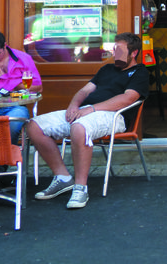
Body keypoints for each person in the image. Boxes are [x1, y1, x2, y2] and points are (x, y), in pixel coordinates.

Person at [26, 32, 149, 209]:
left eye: (119, 50)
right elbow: (84, 91)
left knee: (79, 127)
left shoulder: (140, 73)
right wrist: (73, 105)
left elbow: (127, 99)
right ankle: (63, 178)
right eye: (114, 49)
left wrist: (91, 108)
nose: (114, 53)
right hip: (84, 112)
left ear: (134, 52)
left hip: (114, 116)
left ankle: (80, 188)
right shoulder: (106, 69)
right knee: (33, 125)